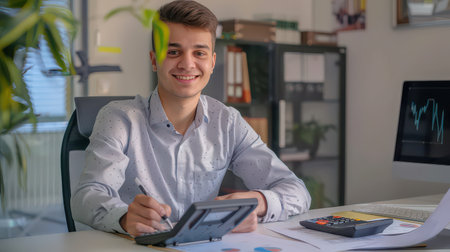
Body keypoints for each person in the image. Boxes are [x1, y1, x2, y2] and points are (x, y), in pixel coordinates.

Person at [71, 0, 311, 237]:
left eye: (199, 53)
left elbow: (297, 192)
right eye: (174, 52)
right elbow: (86, 196)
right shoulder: (120, 118)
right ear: (154, 60)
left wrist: (258, 202)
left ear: (212, 62)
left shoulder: (227, 122)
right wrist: (123, 217)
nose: (187, 64)